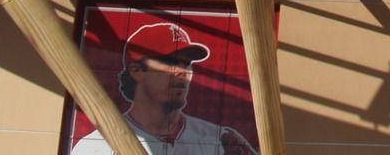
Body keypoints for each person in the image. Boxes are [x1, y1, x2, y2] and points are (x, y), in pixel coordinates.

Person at [71, 21, 256, 155]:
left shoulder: (221, 140)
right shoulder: (96, 147)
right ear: (136, 71)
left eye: (187, 63)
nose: (182, 71)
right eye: (170, 62)